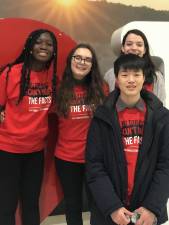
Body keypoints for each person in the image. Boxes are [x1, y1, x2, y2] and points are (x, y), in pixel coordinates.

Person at [86, 54, 169, 225]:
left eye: (136, 74)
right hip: (111, 210)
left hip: (146, 210)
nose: (131, 80)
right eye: (125, 75)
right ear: (116, 79)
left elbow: (166, 165)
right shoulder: (102, 117)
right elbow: (95, 166)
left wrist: (152, 207)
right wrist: (112, 207)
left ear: (144, 77)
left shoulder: (161, 117)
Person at [0, 29, 57, 225]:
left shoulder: (53, 78)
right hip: (8, 151)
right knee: (6, 205)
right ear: (30, 47)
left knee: (31, 203)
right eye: (39, 42)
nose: (44, 47)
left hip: (35, 152)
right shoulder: (10, 73)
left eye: (49, 44)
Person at [54, 43, 108, 225]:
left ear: (92, 64)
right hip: (66, 158)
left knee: (98, 204)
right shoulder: (58, 88)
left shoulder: (102, 88)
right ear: (70, 60)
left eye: (87, 59)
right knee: (73, 205)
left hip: (96, 158)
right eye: (78, 57)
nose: (82, 62)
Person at [104, 29, 166, 105]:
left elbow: (161, 106)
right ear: (123, 48)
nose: (134, 48)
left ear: (145, 50)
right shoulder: (110, 75)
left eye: (139, 45)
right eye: (129, 44)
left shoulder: (156, 76)